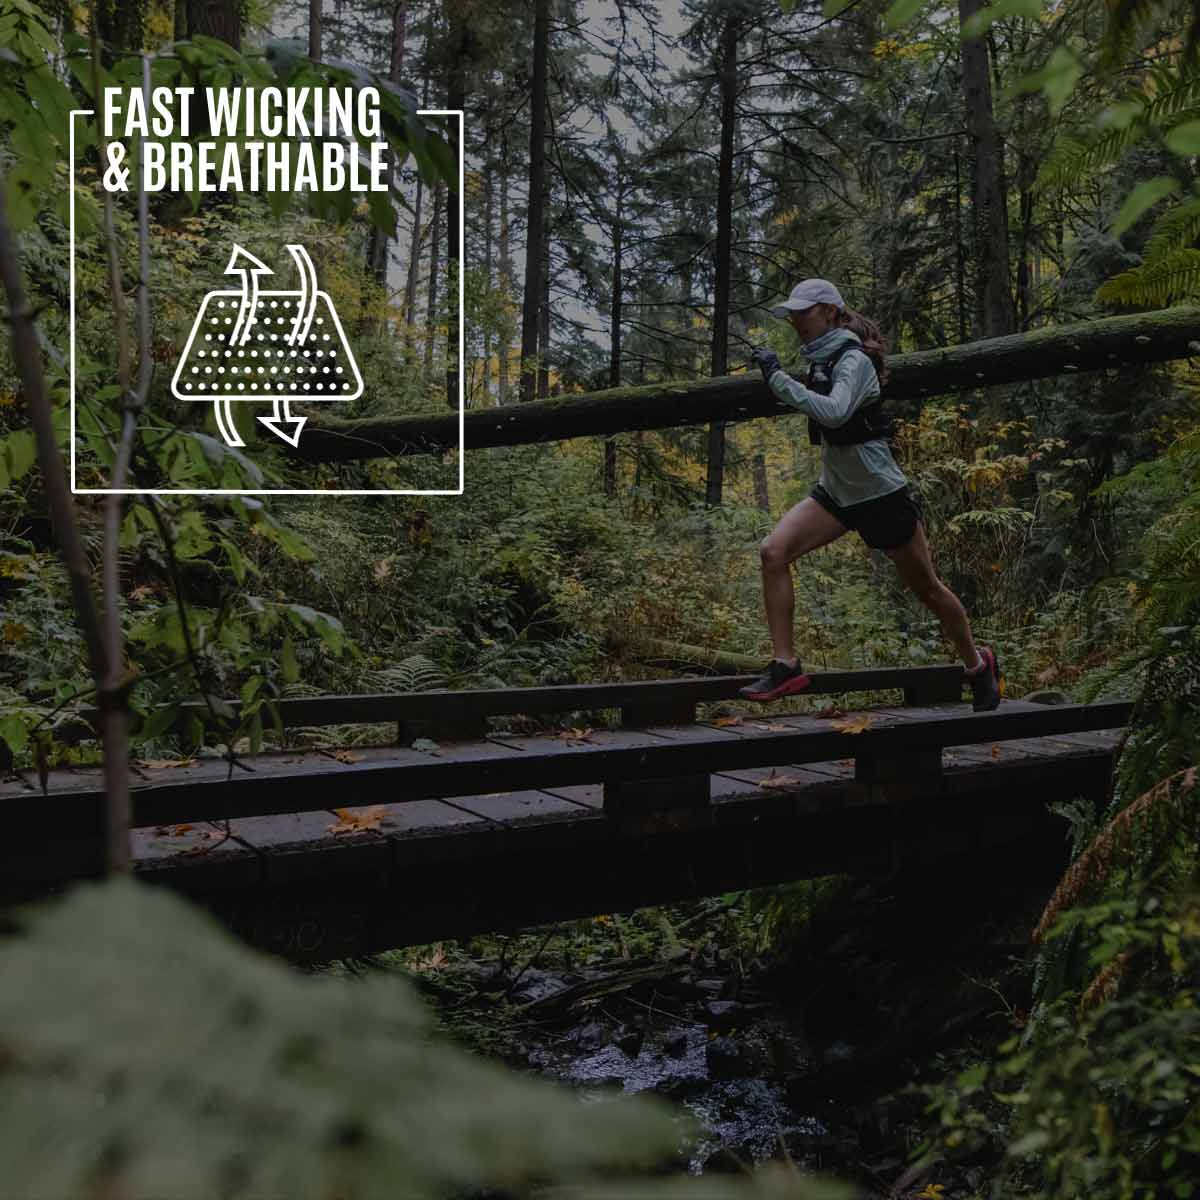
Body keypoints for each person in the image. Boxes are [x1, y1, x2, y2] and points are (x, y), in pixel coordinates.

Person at [740, 277, 1001, 711]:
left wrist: (778, 381)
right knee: (773, 552)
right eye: (793, 315)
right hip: (836, 494)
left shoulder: (854, 361)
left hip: (880, 495)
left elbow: (837, 412)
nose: (797, 322)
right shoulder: (820, 360)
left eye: (804, 312)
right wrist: (781, 376)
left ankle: (977, 664)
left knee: (929, 591)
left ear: (830, 310)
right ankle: (786, 665)